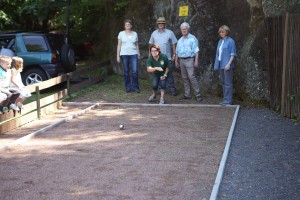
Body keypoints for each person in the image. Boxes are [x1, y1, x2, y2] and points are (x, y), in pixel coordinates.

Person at [149, 16, 177, 96]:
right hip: (156, 59)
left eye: (162, 23)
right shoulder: (154, 33)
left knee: (169, 75)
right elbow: (151, 45)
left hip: (167, 58)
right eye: (159, 23)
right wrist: (150, 55)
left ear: (164, 24)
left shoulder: (170, 32)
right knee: (157, 74)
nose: (161, 24)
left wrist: (174, 55)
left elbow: (174, 44)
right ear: (157, 24)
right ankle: (157, 90)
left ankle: (173, 90)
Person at [175, 22, 203, 102]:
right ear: (181, 30)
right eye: (182, 29)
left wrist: (196, 61)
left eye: (185, 29)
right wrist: (176, 61)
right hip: (181, 60)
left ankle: (198, 95)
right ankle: (187, 94)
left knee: (192, 77)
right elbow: (177, 52)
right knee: (184, 78)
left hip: (189, 60)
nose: (184, 30)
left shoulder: (192, 38)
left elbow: (196, 51)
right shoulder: (180, 40)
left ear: (188, 29)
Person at [214, 25, 237, 105]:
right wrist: (217, 65)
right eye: (220, 32)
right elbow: (218, 54)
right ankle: (225, 100)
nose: (221, 33)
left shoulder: (231, 41)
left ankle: (228, 101)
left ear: (227, 32)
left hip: (227, 65)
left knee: (228, 83)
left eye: (223, 32)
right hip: (221, 64)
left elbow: (233, 54)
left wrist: (229, 64)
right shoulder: (220, 41)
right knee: (223, 82)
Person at [117, 19, 141, 93]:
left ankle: (135, 87)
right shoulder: (121, 33)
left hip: (134, 54)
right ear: (124, 26)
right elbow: (119, 45)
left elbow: (137, 44)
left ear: (131, 26)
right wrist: (117, 55)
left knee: (135, 71)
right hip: (124, 54)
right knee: (126, 71)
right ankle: (128, 87)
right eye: (126, 24)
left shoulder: (135, 34)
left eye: (129, 24)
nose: (127, 26)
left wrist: (139, 53)